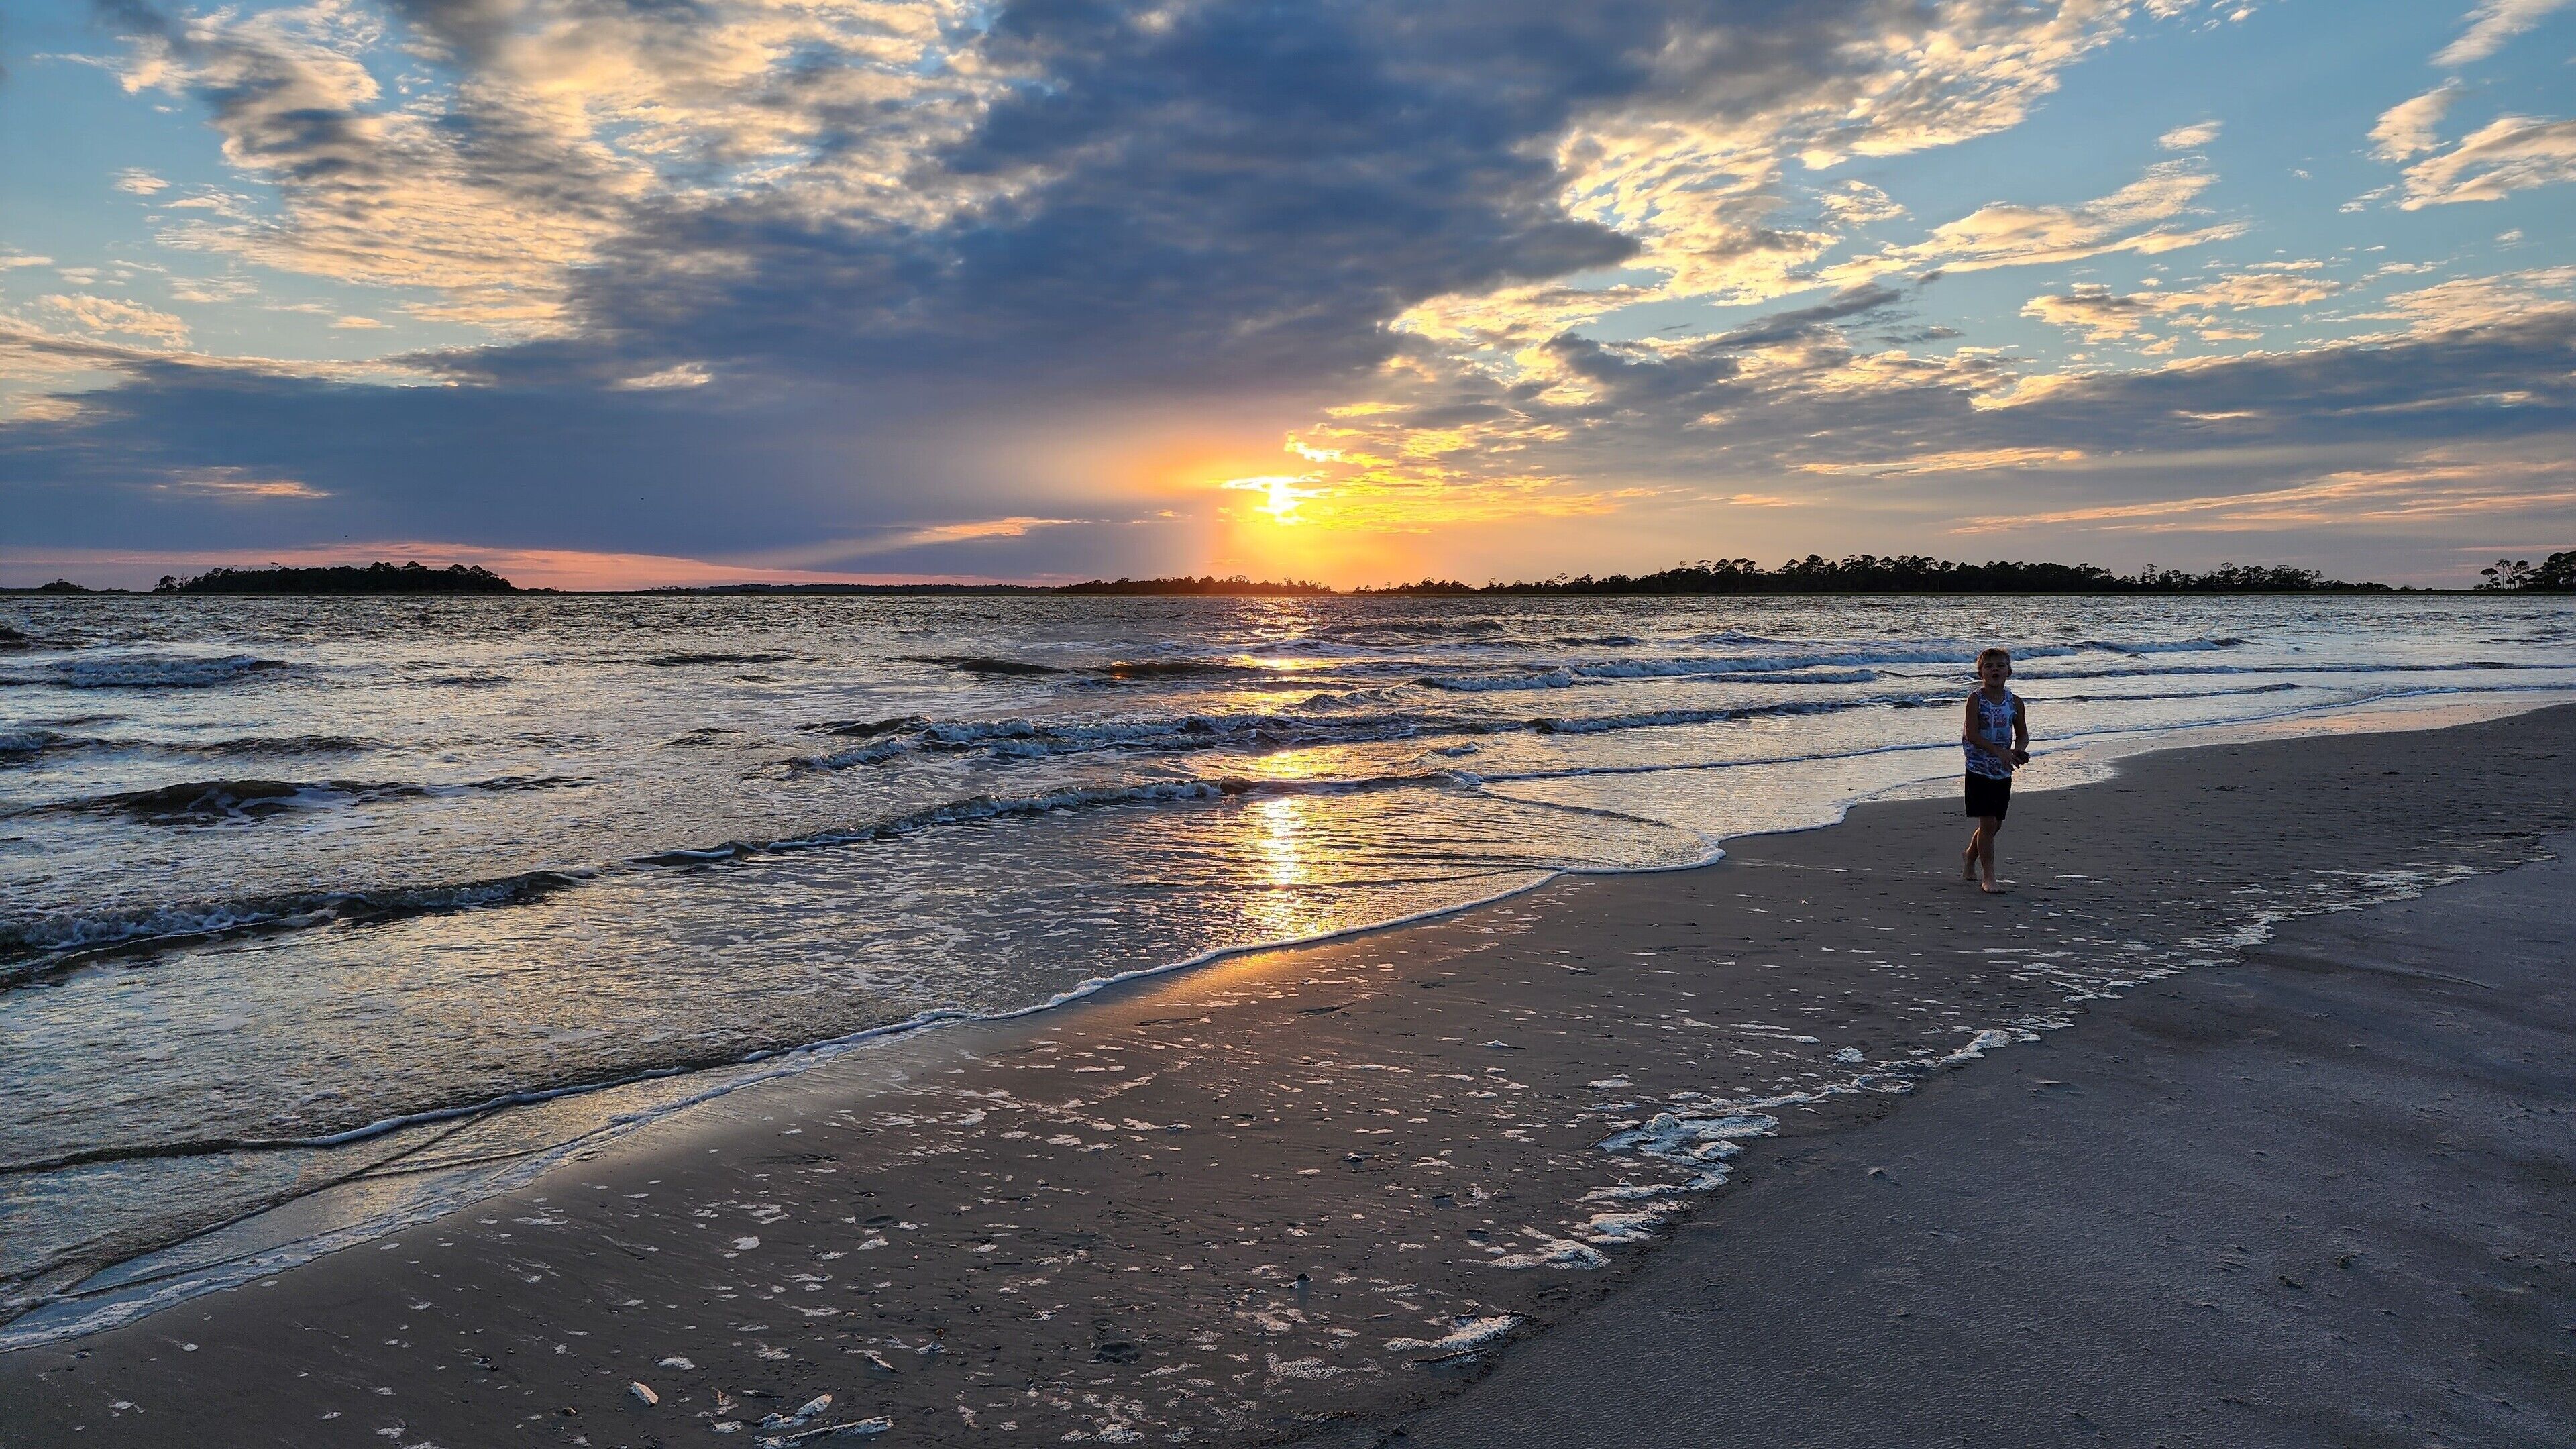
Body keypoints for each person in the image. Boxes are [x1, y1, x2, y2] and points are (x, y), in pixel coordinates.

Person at [1959, 646, 2029, 894]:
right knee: (1988, 822)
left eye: (2000, 666)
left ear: (2009, 671)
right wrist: (1998, 751)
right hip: (1978, 768)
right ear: (1981, 674)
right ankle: (1988, 877)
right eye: (1988, 667)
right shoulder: (1975, 699)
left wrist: (2018, 751)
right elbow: (1972, 733)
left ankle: (1970, 855)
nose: (1994, 670)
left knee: (1996, 824)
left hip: (2003, 769)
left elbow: (2022, 735)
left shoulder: (2015, 702)